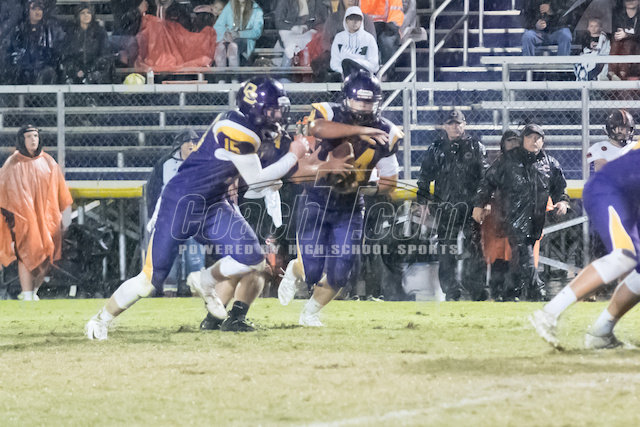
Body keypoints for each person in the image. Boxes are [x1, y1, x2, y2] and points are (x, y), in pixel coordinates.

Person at [85, 77, 308, 340]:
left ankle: (205, 280)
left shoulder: (252, 128)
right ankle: (101, 319)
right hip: (182, 202)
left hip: (213, 202)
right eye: (272, 110)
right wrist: (294, 155)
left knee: (251, 257)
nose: (279, 116)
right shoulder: (236, 129)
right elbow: (257, 179)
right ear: (255, 109)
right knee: (150, 280)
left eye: (279, 109)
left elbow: (256, 180)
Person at [278, 70, 401, 327]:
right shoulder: (329, 112)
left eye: (369, 101)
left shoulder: (386, 132)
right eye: (358, 100)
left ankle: (310, 313)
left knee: (341, 270)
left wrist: (366, 186)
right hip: (316, 199)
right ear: (346, 99)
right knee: (311, 270)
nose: (363, 106)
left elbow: (390, 181)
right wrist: (361, 130)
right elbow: (317, 127)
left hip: (350, 206)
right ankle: (295, 269)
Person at [530, 140, 640, 349]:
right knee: (624, 255)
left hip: (628, 200)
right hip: (610, 190)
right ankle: (549, 313)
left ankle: (601, 333)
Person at [474, 124, 570, 301]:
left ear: (543, 141)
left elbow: (560, 188)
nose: (534, 141)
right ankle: (537, 290)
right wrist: (480, 204)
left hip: (536, 218)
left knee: (521, 254)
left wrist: (562, 202)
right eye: (530, 137)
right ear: (523, 139)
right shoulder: (507, 160)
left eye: (538, 138)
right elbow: (487, 181)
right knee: (523, 249)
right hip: (513, 216)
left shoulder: (550, 163)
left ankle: (510, 292)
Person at [416, 109, 489, 301]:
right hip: (445, 206)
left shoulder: (476, 146)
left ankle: (477, 288)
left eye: (458, 123)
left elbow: (485, 178)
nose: (454, 127)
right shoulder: (436, 148)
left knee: (474, 247)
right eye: (451, 123)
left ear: (464, 125)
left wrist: (481, 203)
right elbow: (424, 176)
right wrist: (422, 201)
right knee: (446, 249)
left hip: (470, 206)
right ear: (444, 126)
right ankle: (451, 290)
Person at [0, 125, 73, 301]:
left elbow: (59, 191)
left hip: (47, 218)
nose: (33, 140)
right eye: (29, 136)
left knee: (47, 256)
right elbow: (4, 192)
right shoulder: (13, 164)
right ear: (21, 140)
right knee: (26, 253)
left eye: (35, 136)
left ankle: (33, 292)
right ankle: (27, 294)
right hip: (21, 219)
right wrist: (12, 218)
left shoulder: (48, 162)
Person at [146, 129, 205, 297]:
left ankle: (196, 286)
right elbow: (154, 190)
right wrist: (154, 214)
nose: (191, 145)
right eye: (188, 142)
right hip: (170, 215)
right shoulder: (165, 164)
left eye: (194, 142)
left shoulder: (203, 163)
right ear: (180, 145)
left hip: (193, 215)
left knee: (195, 252)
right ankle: (168, 287)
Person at [5, 0, 65, 84]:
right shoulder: (18, 30)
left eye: (40, 9)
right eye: (34, 9)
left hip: (43, 70)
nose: (37, 12)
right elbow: (15, 52)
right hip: (23, 70)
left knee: (49, 73)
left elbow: (53, 54)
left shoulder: (49, 30)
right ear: (28, 11)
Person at [61, 3, 113, 84]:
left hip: (95, 70)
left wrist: (90, 71)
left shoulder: (100, 32)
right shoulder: (71, 33)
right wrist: (76, 70)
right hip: (76, 71)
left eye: (88, 12)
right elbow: (66, 56)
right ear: (78, 15)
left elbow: (105, 55)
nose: (86, 15)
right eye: (82, 13)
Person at [274, 0, 327, 66]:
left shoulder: (316, 2)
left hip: (308, 32)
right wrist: (294, 27)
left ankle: (308, 67)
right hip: (289, 32)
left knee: (312, 42)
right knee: (290, 46)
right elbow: (278, 22)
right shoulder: (284, 1)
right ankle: (285, 69)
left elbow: (321, 21)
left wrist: (308, 27)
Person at [330, 6, 379, 76]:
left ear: (361, 21)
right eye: (351, 18)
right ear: (346, 20)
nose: (355, 22)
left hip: (364, 76)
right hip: (342, 76)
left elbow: (374, 66)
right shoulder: (339, 38)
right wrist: (344, 72)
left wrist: (355, 63)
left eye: (358, 19)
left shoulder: (369, 38)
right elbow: (334, 63)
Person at [213, 0, 263, 67]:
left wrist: (239, 34)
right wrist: (225, 33)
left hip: (245, 44)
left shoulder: (256, 10)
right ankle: (220, 72)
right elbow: (218, 26)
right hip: (227, 40)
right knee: (220, 47)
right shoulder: (230, 6)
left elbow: (257, 32)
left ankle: (234, 72)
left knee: (233, 47)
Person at [359, 0, 403, 69]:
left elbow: (396, 11)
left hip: (386, 27)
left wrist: (393, 25)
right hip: (364, 26)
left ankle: (386, 71)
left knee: (387, 41)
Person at [110, 0, 148, 66]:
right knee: (132, 42)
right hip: (124, 36)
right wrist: (138, 11)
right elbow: (121, 20)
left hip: (141, 34)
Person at [609, 0, 640, 80]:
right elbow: (614, 31)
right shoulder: (618, 14)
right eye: (627, 0)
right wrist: (617, 35)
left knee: (628, 43)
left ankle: (622, 72)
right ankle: (612, 72)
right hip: (620, 46)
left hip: (636, 48)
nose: (630, 2)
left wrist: (627, 35)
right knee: (615, 43)